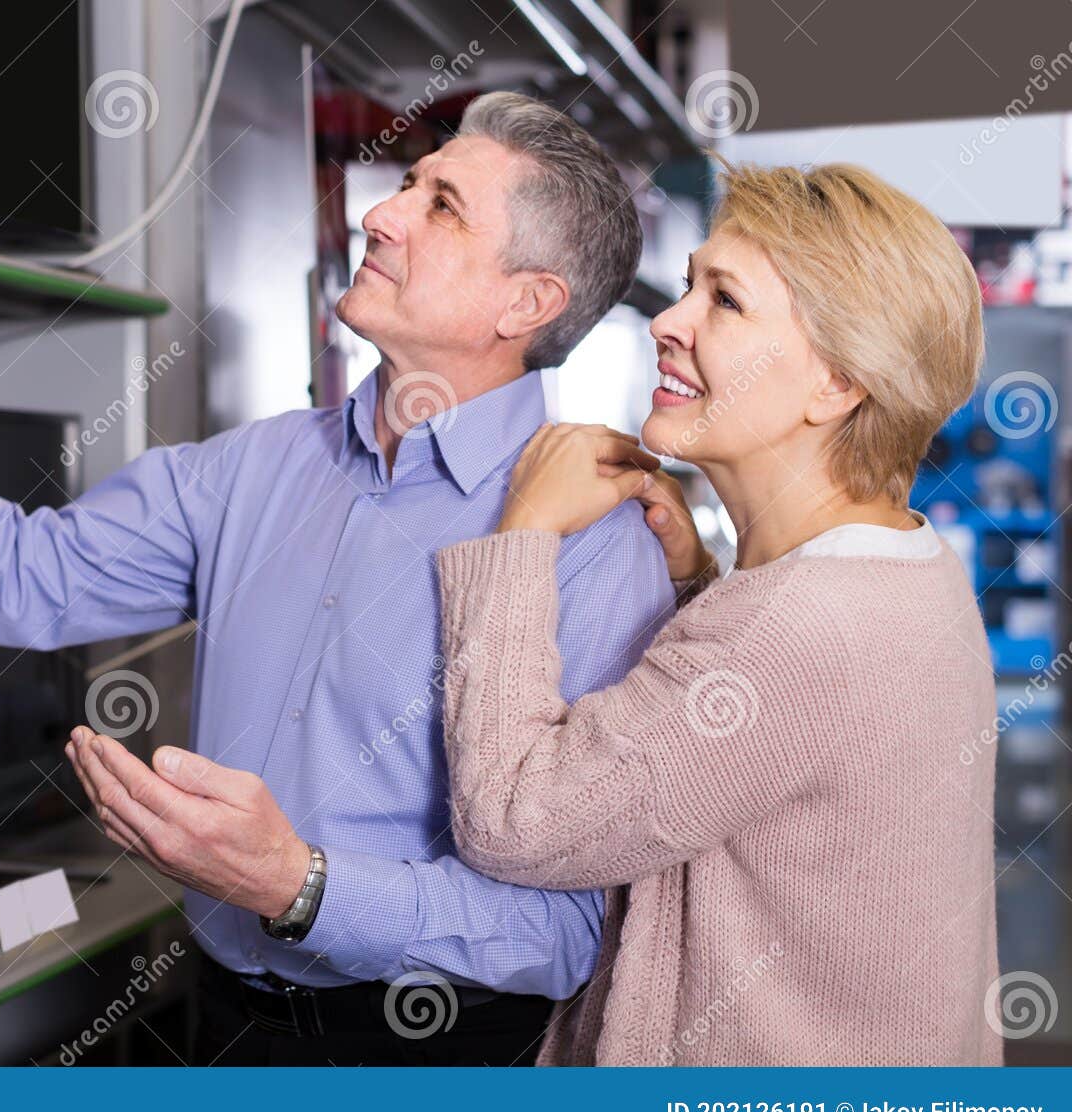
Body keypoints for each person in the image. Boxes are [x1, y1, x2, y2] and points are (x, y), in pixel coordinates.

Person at [0, 93, 675, 1065]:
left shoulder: (595, 545)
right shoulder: (252, 468)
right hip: (225, 1024)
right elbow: (13, 580)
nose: (380, 212)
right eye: (407, 182)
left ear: (525, 303)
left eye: (441, 204)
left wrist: (301, 883)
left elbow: (562, 933)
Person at [424, 159, 998, 1064]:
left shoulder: (795, 628)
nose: (667, 320)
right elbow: (753, 760)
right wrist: (700, 587)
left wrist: (521, 535)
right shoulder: (903, 562)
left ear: (837, 383)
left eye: (723, 301)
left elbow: (515, 820)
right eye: (688, 285)